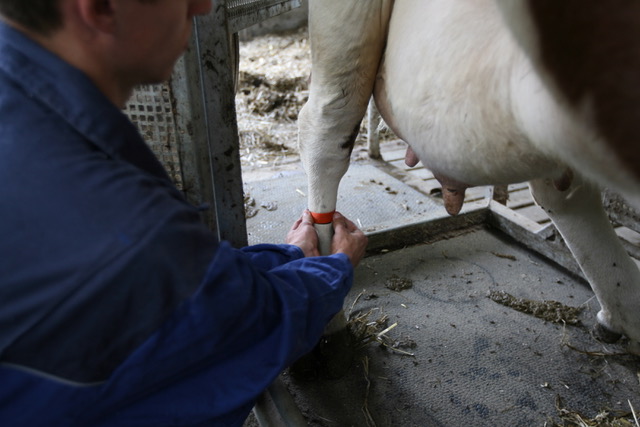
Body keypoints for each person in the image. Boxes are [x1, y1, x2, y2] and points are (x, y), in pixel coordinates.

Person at [0, 0, 368, 425]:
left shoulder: (32, 115)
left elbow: (174, 290)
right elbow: (241, 330)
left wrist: (288, 258)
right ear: (100, 8)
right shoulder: (132, 225)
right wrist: (334, 270)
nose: (203, 6)